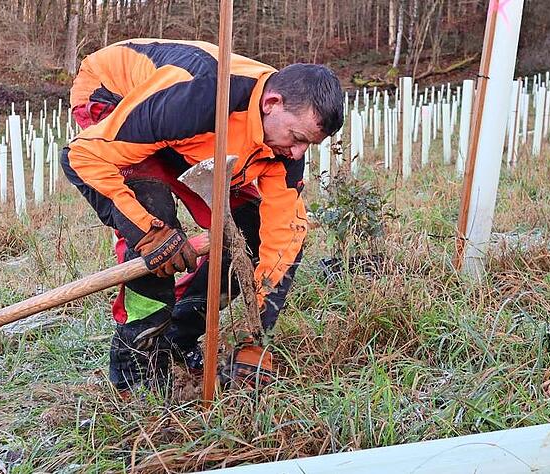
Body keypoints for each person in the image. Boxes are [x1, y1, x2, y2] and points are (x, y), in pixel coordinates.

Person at [62, 39, 343, 395]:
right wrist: (147, 231)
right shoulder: (196, 96)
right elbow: (83, 157)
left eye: (308, 145)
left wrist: (256, 335)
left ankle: (180, 335)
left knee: (250, 233)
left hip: (193, 136)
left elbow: (284, 237)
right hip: (117, 96)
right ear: (272, 104)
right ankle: (135, 364)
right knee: (157, 230)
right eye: (297, 138)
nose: (298, 152)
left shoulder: (281, 142)